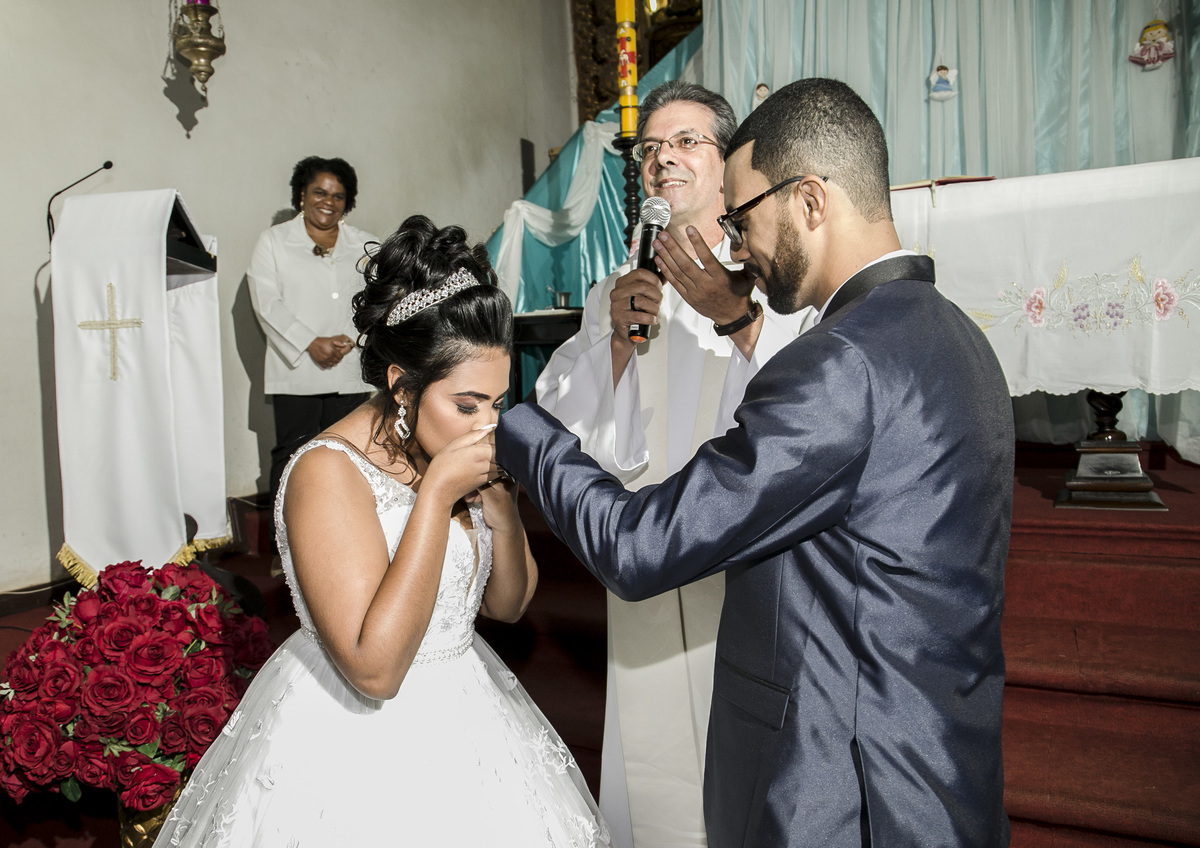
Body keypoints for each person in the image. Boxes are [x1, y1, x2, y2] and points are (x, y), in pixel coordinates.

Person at [498, 78, 1013, 847]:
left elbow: (640, 547)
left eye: (746, 219)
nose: (742, 247)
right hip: (938, 764)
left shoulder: (838, 359)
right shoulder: (960, 336)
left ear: (809, 201)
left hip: (854, 790)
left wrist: (511, 423)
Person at [156, 217, 610, 847]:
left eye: (498, 402)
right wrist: (436, 498)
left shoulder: (447, 448)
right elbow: (374, 670)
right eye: (467, 404)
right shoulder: (327, 472)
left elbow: (507, 607)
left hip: (467, 712)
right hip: (353, 736)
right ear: (402, 385)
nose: (487, 425)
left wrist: (502, 510)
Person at [535, 80, 815, 848]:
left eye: (687, 141)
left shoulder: (778, 272)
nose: (664, 160)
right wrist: (617, 352)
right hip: (650, 558)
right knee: (659, 778)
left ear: (729, 164)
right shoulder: (617, 292)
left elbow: (818, 405)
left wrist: (740, 321)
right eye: (652, 149)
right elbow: (565, 411)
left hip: (751, 560)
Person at [248, 155, 378, 547]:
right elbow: (267, 302)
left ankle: (345, 541)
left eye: (338, 195)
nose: (328, 201)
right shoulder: (273, 241)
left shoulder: (364, 243)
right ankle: (284, 545)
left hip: (350, 366)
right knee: (293, 457)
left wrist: (354, 340)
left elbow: (379, 297)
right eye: (319, 192)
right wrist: (311, 341)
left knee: (350, 456)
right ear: (301, 195)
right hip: (297, 370)